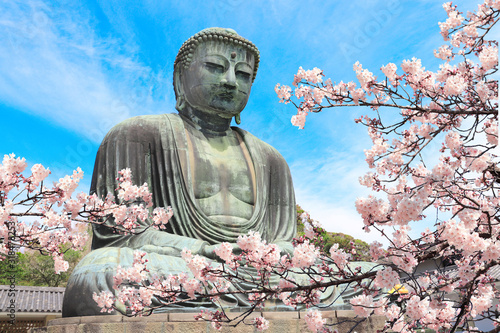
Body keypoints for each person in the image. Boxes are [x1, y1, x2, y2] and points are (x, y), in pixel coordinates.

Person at [62, 28, 300, 317]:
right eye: (215, 67)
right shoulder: (134, 135)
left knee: (363, 278)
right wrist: (203, 250)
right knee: (100, 274)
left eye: (243, 75)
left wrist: (275, 254)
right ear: (180, 77)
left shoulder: (272, 160)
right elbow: (120, 236)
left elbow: (284, 241)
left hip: (261, 274)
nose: (230, 81)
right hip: (181, 264)